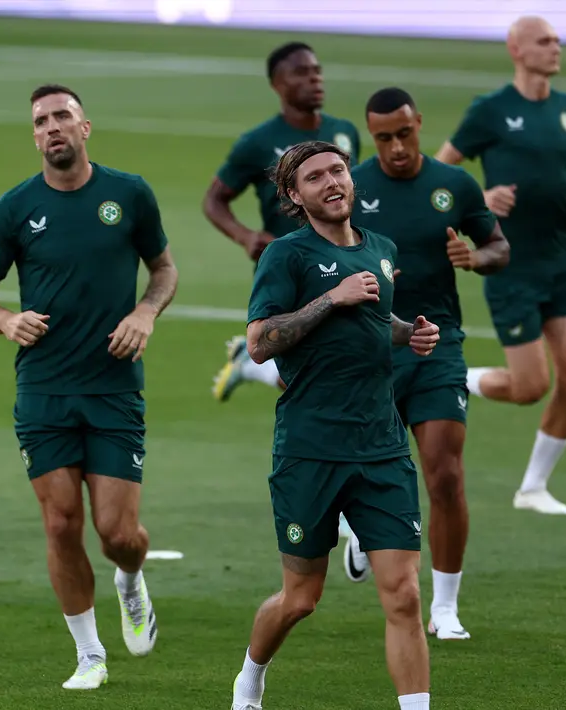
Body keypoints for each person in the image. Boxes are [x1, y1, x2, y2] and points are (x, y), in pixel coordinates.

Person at [0, 84, 178, 690]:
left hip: (113, 389)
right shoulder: (13, 210)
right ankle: (89, 654)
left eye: (62, 116)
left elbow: (163, 270)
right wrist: (6, 319)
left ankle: (131, 580)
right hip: (44, 390)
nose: (52, 127)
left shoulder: (129, 194)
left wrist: (145, 314)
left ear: (86, 128)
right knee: (60, 524)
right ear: (34, 136)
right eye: (41, 121)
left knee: (117, 534)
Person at [229, 140, 437, 710]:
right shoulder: (286, 256)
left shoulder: (383, 249)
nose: (331, 181)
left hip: (382, 448)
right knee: (301, 598)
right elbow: (260, 343)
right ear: (296, 196)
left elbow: (373, 314)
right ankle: (251, 676)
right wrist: (331, 298)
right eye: (315, 177)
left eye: (337, 170)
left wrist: (406, 333)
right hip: (310, 449)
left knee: (403, 595)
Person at [347, 87, 510, 640]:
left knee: (443, 472)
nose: (395, 146)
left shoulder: (454, 185)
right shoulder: (354, 188)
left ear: (420, 123)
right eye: (383, 137)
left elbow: (498, 248)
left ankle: (443, 607)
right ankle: (356, 530)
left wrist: (476, 256)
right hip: (372, 348)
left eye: (404, 133)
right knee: (364, 469)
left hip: (438, 343)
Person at [436, 15, 566, 515]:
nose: (556, 48)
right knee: (530, 387)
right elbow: (440, 172)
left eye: (557, 40)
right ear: (516, 49)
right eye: (544, 41)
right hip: (508, 264)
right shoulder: (490, 111)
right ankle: (456, 379)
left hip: (564, 263)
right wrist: (482, 196)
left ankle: (533, 487)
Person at [205, 41, 361, 402]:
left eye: (317, 71)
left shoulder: (344, 133)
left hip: (342, 263)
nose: (314, 79)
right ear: (278, 84)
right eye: (301, 73)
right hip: (290, 269)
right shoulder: (258, 142)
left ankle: (253, 365)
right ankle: (255, 363)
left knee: (335, 368)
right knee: (312, 378)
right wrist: (244, 236)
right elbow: (214, 200)